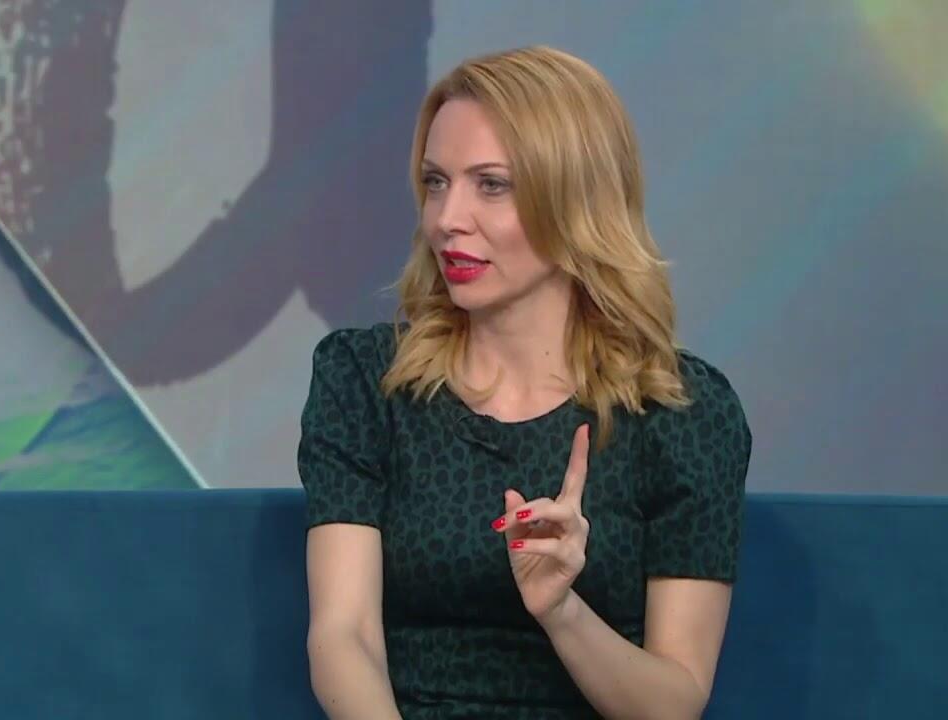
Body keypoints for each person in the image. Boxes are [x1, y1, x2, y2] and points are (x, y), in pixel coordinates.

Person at [298, 45, 753, 719]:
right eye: (435, 182)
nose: (447, 219)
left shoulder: (682, 413)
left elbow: (673, 703)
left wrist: (562, 610)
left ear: (575, 199)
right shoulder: (366, 381)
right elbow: (344, 637)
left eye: (491, 185)